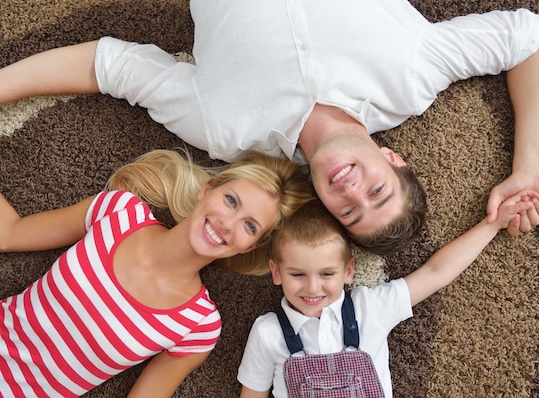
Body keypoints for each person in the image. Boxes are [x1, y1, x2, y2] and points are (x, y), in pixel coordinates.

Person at [0, 0, 539, 255]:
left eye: (348, 210)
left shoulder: (224, 131)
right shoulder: (414, 76)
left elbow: (111, 65)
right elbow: (533, 39)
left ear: (324, 203)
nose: (354, 191)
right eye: (378, 190)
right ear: (393, 159)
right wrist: (531, 167)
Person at [0, 149, 313, 397]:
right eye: (230, 201)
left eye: (249, 226)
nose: (227, 224)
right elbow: (9, 234)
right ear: (207, 192)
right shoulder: (118, 211)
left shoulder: (199, 327)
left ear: (249, 247)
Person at [236, 192, 539, 397]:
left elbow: (436, 272)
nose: (313, 288)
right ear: (276, 272)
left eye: (327, 274)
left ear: (348, 272)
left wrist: (492, 225)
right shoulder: (268, 333)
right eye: (297, 274)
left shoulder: (370, 308)